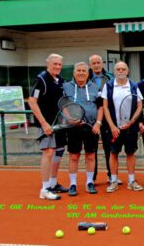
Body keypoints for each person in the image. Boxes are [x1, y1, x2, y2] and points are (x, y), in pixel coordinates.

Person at [28, 53, 66, 200]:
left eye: (60, 64)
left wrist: (71, 119)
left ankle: (53, 183)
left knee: (59, 151)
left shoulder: (60, 80)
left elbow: (62, 102)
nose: (57, 66)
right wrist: (44, 124)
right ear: (47, 64)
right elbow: (32, 102)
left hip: (59, 124)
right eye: (54, 64)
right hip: (46, 124)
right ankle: (45, 189)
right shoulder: (41, 79)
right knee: (49, 152)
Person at [102, 61, 144, 193]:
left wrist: (132, 122)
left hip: (130, 128)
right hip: (114, 128)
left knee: (130, 153)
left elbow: (139, 106)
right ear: (114, 71)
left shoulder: (133, 86)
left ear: (127, 71)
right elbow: (105, 108)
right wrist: (112, 126)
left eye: (123, 69)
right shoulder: (108, 86)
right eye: (118, 69)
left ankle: (131, 181)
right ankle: (113, 180)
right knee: (113, 153)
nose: (121, 71)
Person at [63, 62, 101, 196]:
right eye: (78, 71)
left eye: (84, 71)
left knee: (90, 155)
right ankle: (73, 184)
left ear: (87, 73)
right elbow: (64, 105)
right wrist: (70, 119)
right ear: (74, 73)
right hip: (73, 127)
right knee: (74, 156)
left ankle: (89, 182)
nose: (81, 73)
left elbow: (101, 106)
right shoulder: (66, 86)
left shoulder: (95, 87)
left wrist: (98, 123)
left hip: (91, 127)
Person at [87, 54, 120, 184]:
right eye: (93, 63)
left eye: (98, 63)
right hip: (91, 118)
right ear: (90, 65)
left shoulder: (110, 77)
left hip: (107, 117)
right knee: (92, 148)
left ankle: (111, 175)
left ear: (102, 63)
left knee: (109, 147)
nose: (96, 65)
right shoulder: (86, 78)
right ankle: (93, 177)